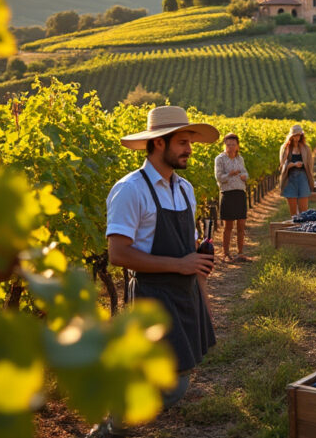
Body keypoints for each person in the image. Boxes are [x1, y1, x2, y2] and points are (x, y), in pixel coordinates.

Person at [88, 106, 218, 438]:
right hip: (151, 296)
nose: (190, 149)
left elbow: (189, 250)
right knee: (174, 383)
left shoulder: (185, 189)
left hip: (184, 292)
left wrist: (203, 296)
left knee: (174, 370)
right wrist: (181, 265)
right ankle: (115, 423)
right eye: (183, 142)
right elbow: (118, 254)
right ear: (159, 143)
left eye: (191, 141)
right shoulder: (131, 189)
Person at [215, 133, 249, 262]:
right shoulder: (220, 159)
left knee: (241, 225)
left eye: (233, 144)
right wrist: (230, 174)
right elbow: (219, 177)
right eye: (228, 144)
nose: (230, 147)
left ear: (237, 146)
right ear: (224, 145)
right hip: (227, 193)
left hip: (240, 193)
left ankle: (240, 253)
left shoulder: (240, 159)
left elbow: (245, 172)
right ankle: (226, 254)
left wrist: (244, 176)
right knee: (228, 226)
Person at [279, 124, 314, 216]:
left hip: (303, 178)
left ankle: (303, 229)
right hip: (290, 179)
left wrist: (303, 165)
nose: (297, 137)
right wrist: (292, 165)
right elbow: (282, 165)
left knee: (304, 211)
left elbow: (310, 164)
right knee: (293, 213)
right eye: (295, 135)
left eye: (299, 135)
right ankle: (295, 228)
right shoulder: (285, 148)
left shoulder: (306, 148)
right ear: (291, 136)